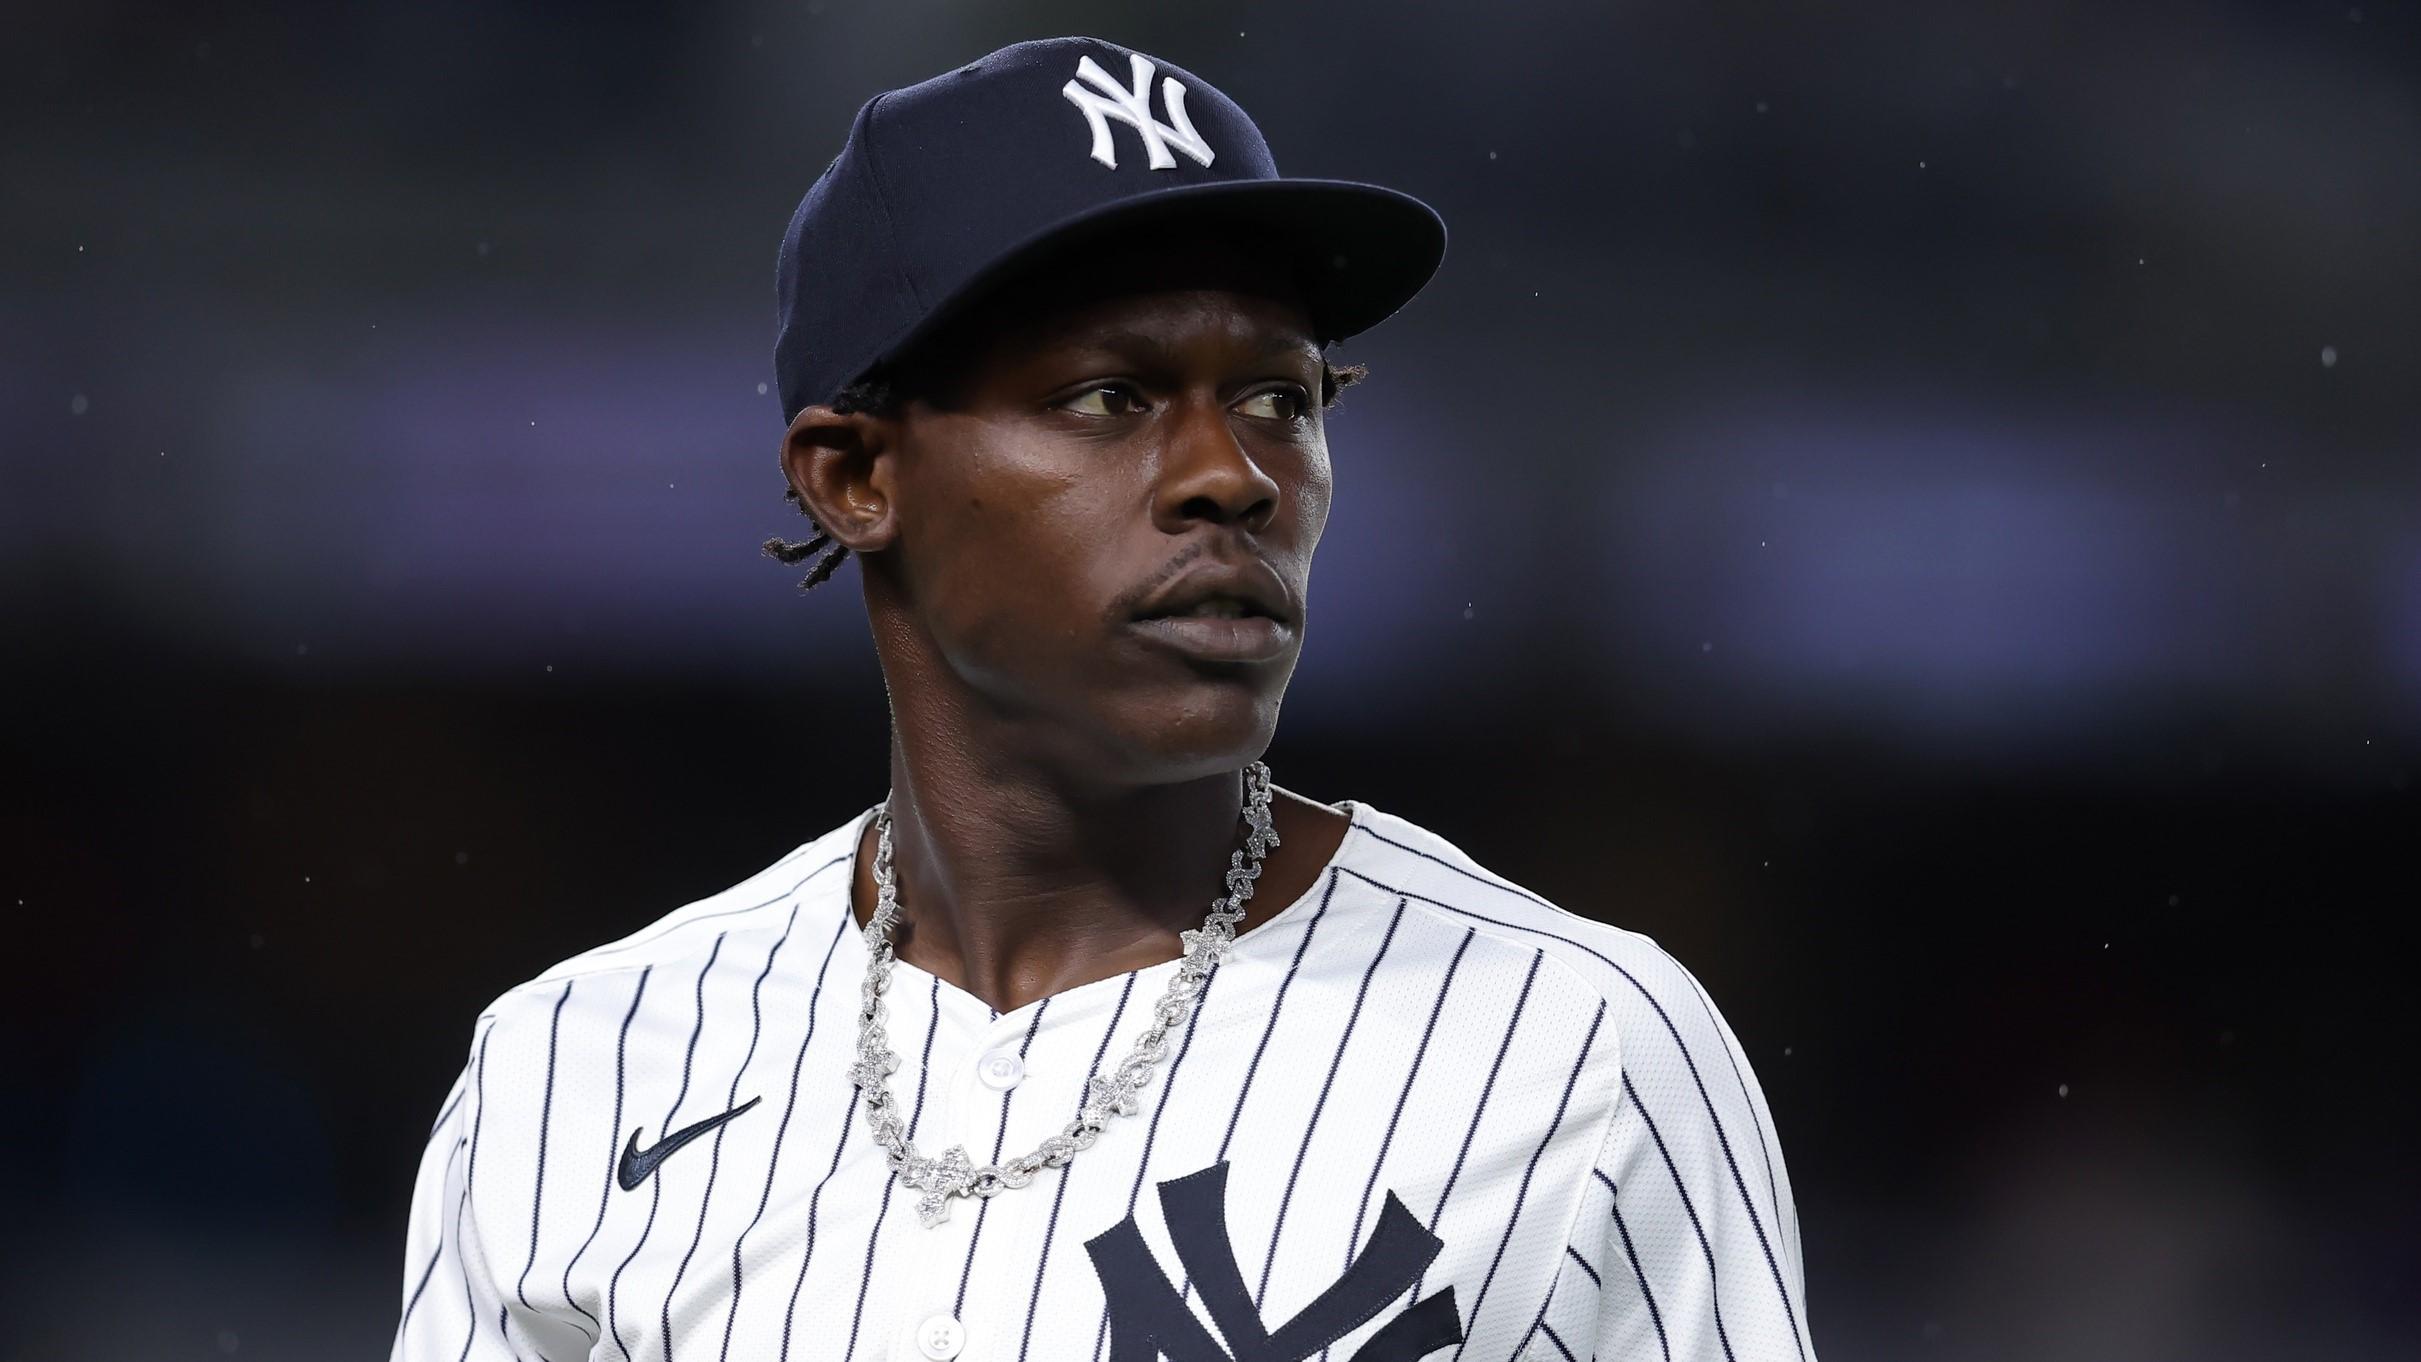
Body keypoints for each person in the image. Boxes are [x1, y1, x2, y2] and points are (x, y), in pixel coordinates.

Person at [389, 35, 1816, 1362]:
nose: (1233, 474)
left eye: (1279, 397)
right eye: (1109, 397)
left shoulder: (1572, 1042)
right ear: (856, 476)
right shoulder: (575, 1065)